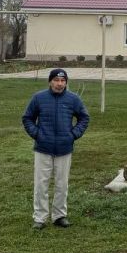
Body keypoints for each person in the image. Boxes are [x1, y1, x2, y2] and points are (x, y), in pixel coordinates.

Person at [21, 68, 90, 230]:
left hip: (64, 148)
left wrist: (73, 134)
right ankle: (40, 217)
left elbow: (84, 117)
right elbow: (27, 118)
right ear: (50, 81)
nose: (59, 84)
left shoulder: (73, 99)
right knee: (41, 184)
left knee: (61, 184)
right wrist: (37, 134)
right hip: (43, 148)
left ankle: (59, 215)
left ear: (66, 82)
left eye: (63, 81)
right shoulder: (39, 98)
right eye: (56, 81)